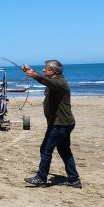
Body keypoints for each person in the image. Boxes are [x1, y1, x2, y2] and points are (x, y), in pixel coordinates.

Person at [21, 60, 81, 188]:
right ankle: (74, 179)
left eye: (45, 68)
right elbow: (47, 80)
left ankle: (41, 178)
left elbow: (47, 81)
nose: (43, 70)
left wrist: (34, 75)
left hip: (60, 124)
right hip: (60, 123)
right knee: (64, 151)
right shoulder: (54, 80)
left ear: (53, 71)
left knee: (46, 150)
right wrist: (31, 71)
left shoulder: (60, 83)